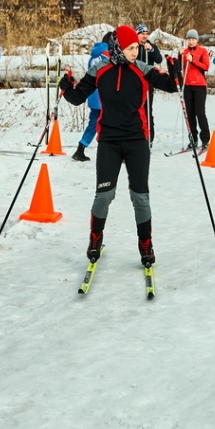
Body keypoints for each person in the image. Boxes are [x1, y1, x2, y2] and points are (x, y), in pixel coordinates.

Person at [58, 25, 181, 266]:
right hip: (109, 141)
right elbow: (77, 97)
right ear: (118, 47)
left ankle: (145, 243)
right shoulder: (100, 69)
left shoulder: (142, 68)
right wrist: (66, 86)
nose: (135, 52)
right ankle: (95, 238)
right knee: (104, 196)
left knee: (140, 197)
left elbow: (172, 85)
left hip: (136, 140)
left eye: (136, 47)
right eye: (130, 48)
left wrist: (175, 71)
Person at [72, 38, 109, 162]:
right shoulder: (107, 55)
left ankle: (81, 148)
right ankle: (114, 151)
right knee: (113, 123)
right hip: (104, 95)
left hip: (93, 94)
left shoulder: (94, 55)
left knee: (93, 123)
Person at [179, 29, 211, 149]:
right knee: (190, 114)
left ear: (196, 40)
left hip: (199, 85)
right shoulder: (185, 51)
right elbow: (180, 66)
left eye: (193, 39)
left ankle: (205, 139)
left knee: (200, 112)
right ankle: (193, 139)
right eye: (189, 39)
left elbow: (206, 66)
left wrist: (193, 60)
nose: (191, 42)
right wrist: (179, 55)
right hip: (187, 85)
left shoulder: (202, 51)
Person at [135, 24, 163, 143]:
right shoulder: (133, 47)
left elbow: (159, 59)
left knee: (147, 110)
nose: (145, 36)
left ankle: (149, 138)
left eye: (146, 34)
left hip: (148, 83)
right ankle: (136, 135)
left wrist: (151, 50)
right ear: (137, 34)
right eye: (142, 34)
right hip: (135, 83)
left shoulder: (151, 46)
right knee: (135, 110)